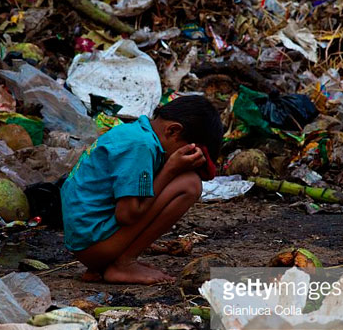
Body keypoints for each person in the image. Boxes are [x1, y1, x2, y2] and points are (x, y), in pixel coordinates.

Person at [61, 95, 224, 284]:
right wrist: (170, 170)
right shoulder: (141, 146)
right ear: (173, 131)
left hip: (88, 240)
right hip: (93, 245)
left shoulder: (135, 133)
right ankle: (123, 264)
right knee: (190, 184)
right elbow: (127, 215)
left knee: (184, 178)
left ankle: (105, 266)